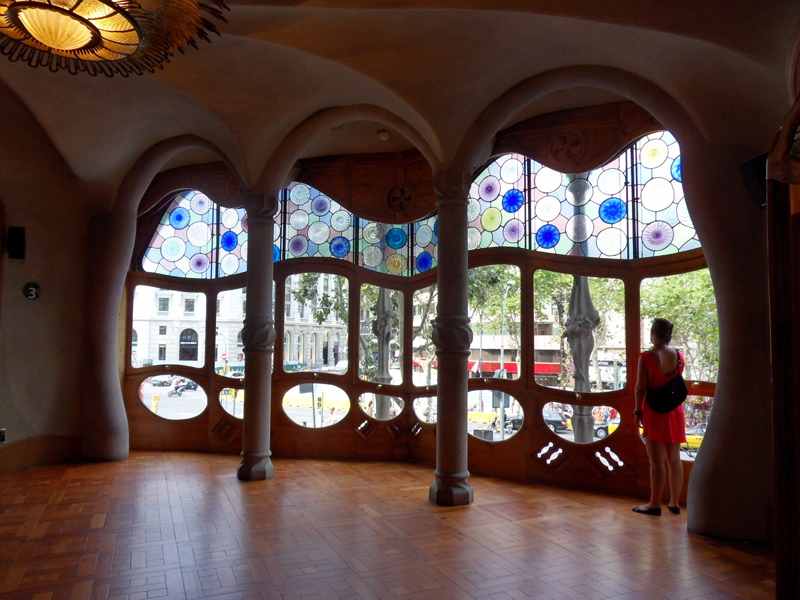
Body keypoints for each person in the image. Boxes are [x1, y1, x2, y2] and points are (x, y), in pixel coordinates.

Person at [633, 318, 686, 516]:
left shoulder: (647, 357)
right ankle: (675, 503)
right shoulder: (679, 356)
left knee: (656, 462)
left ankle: (654, 504)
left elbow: (640, 387)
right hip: (675, 411)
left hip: (654, 412)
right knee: (674, 459)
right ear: (669, 336)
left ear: (653, 334)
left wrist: (637, 411)